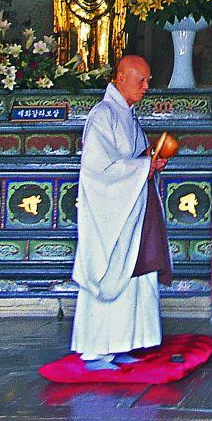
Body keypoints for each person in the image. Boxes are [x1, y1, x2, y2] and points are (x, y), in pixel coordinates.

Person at [70, 55, 172, 370]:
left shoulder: (127, 116)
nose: (146, 87)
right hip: (111, 217)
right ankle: (97, 350)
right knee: (112, 271)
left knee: (135, 278)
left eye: (148, 81)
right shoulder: (103, 116)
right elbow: (98, 170)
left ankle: (121, 344)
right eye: (140, 80)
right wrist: (143, 167)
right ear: (122, 76)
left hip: (132, 212)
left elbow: (131, 160)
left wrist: (150, 162)